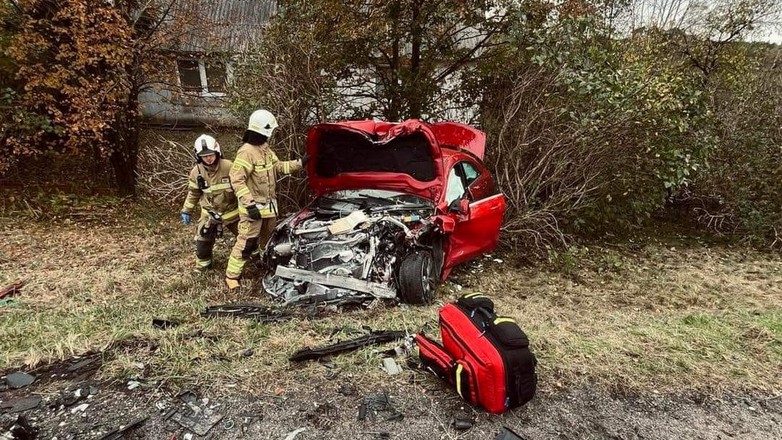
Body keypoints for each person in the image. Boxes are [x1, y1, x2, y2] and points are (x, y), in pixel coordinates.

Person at [225, 110, 305, 290]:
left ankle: (265, 264)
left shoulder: (265, 150)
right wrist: (249, 204)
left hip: (269, 208)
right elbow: (237, 180)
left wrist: (300, 163)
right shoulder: (246, 152)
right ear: (264, 130)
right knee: (246, 242)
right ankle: (232, 276)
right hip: (253, 209)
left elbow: (279, 167)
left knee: (268, 241)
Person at [181, 134, 239, 271]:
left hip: (232, 212)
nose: (208, 158)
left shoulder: (229, 167)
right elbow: (193, 193)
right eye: (204, 156)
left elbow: (241, 187)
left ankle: (256, 259)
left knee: (248, 237)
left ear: (217, 152)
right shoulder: (196, 172)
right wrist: (186, 210)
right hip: (210, 214)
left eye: (211, 155)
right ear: (198, 156)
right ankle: (204, 265)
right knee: (202, 240)